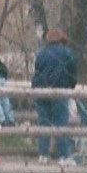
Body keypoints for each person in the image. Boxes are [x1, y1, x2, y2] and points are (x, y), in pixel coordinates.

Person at [32, 26, 78, 165]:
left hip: (41, 91)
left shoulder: (41, 53)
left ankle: (43, 154)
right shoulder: (67, 53)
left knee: (44, 122)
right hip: (59, 90)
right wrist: (71, 86)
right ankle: (64, 155)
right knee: (60, 123)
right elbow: (72, 72)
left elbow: (37, 71)